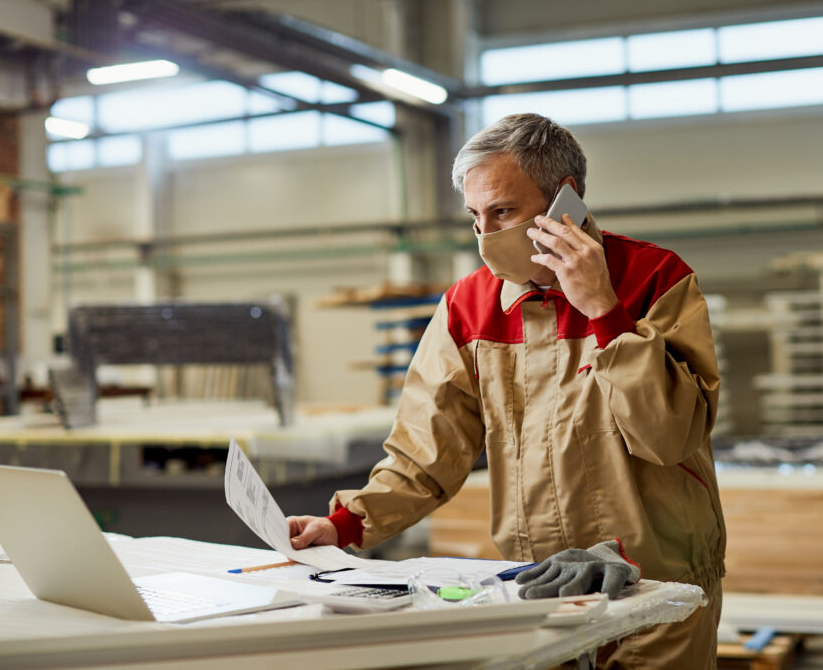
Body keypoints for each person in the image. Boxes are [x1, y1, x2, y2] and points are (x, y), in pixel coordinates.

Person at [288, 113, 726, 668]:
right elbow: (427, 452)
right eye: (475, 218)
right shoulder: (466, 309)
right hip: (537, 588)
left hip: (656, 585)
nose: (486, 238)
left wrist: (604, 312)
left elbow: (668, 435)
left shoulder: (656, 279)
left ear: (566, 202)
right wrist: (346, 522)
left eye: (503, 213)